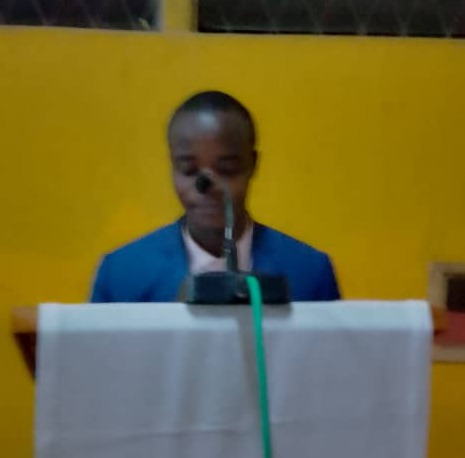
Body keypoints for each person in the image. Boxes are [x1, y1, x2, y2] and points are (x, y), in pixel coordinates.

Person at [91, 90, 340, 302]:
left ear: (252, 165)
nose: (208, 187)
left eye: (227, 169)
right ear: (173, 166)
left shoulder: (309, 273)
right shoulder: (121, 275)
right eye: (189, 170)